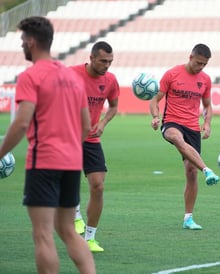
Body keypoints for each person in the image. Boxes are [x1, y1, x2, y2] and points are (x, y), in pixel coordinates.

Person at [0, 16, 95, 273]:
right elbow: (85, 126)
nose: (21, 45)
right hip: (72, 162)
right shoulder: (72, 78)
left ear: (30, 41)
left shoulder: (31, 76)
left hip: (43, 162)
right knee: (68, 231)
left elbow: (21, 123)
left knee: (42, 235)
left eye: (22, 40)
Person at [150, 43, 220, 230]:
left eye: (204, 64)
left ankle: (188, 218)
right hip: (172, 122)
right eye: (198, 63)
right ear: (190, 57)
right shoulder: (172, 74)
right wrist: (156, 117)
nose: (201, 67)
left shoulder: (205, 79)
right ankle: (207, 169)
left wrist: (207, 123)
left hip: (192, 127)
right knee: (176, 138)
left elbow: (207, 105)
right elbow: (155, 99)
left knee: (191, 173)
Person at [71, 41, 120, 252]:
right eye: (103, 61)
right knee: (68, 180)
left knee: (98, 186)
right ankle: (74, 214)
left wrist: (102, 123)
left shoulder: (110, 80)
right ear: (91, 58)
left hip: (91, 139)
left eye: (110, 61)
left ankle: (90, 238)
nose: (107, 65)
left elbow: (114, 106)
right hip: (68, 137)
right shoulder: (70, 75)